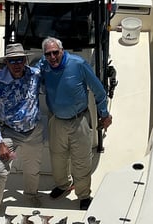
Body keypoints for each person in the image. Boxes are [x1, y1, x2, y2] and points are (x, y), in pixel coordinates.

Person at [39, 37, 112, 210]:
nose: (52, 57)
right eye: (48, 54)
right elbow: (30, 75)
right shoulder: (43, 65)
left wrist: (104, 114)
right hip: (56, 120)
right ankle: (63, 185)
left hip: (79, 120)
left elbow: (99, 91)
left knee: (82, 160)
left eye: (55, 52)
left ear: (62, 50)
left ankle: (84, 194)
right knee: (57, 157)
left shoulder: (78, 64)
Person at [0, 43, 43, 215]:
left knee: (33, 169)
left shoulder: (35, 74)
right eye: (12, 61)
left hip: (34, 131)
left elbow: (50, 65)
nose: (17, 64)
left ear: (25, 60)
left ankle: (31, 194)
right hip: (9, 133)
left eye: (20, 60)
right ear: (7, 63)